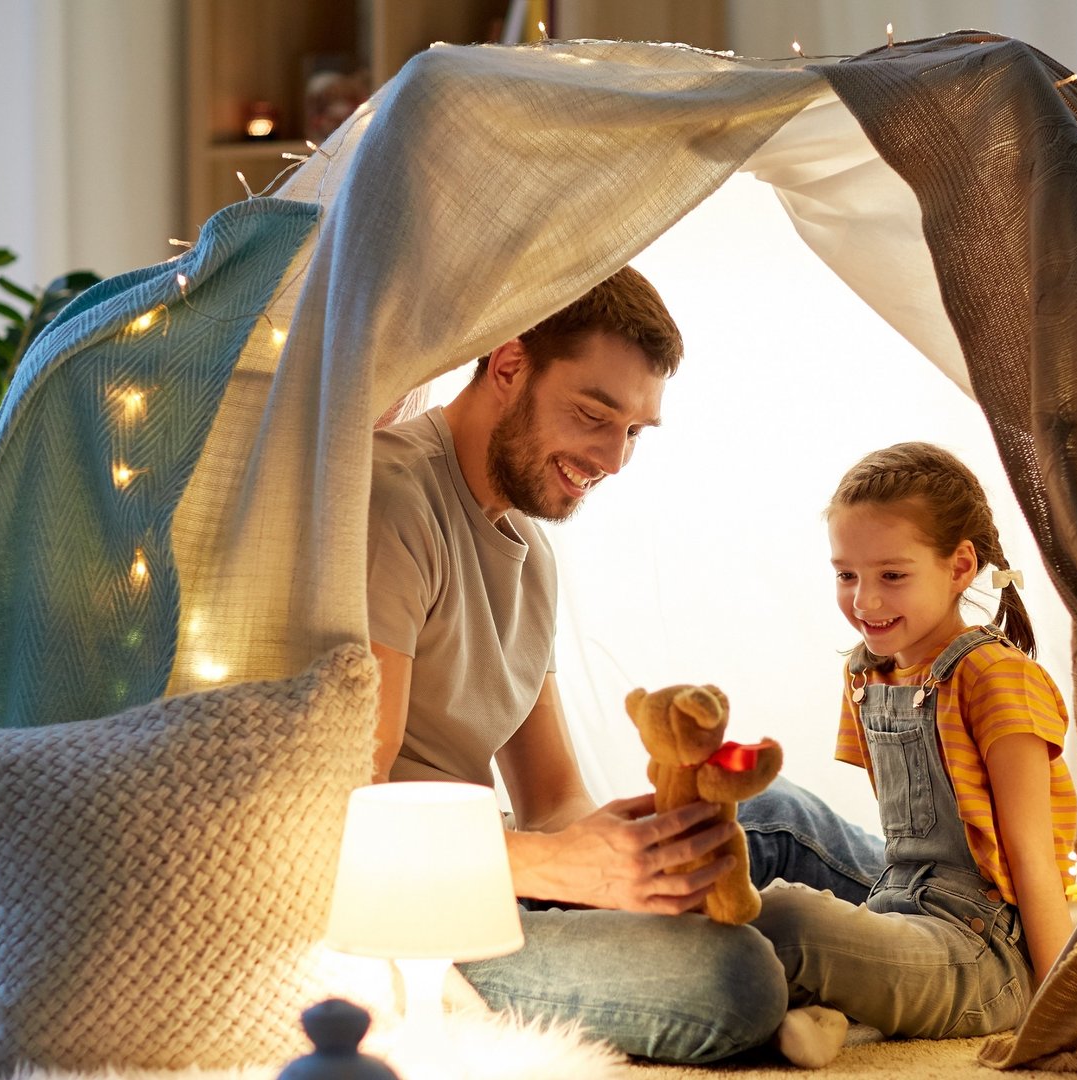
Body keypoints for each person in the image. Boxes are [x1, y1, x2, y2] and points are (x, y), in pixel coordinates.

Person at [364, 265, 886, 1064]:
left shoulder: (531, 552)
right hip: (417, 913)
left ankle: (976, 930)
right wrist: (560, 866)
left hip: (502, 869)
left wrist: (629, 847)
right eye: (593, 415)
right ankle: (890, 963)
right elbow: (345, 817)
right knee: (734, 979)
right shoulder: (393, 500)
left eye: (636, 431)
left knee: (770, 815)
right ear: (508, 366)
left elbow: (550, 796)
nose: (614, 459)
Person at [748, 442, 1077, 1068]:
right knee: (757, 839)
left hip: (987, 953)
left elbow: (1032, 860)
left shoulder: (996, 678)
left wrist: (1063, 1009)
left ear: (959, 566)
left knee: (787, 917)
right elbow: (907, 847)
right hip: (899, 901)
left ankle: (815, 997)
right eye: (847, 575)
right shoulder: (866, 675)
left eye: (892, 576)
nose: (864, 602)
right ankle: (834, 1011)